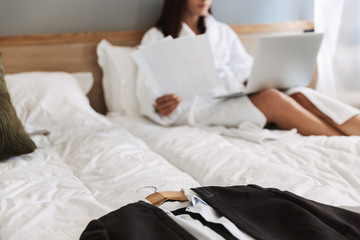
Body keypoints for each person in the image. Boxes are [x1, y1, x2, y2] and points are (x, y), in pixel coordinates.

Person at [135, 0, 360, 136]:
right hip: (196, 108)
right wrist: (159, 105)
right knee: (272, 99)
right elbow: (146, 89)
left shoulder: (221, 31)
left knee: (299, 94)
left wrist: (252, 79)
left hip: (230, 97)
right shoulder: (155, 36)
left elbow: (245, 68)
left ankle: (355, 132)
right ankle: (344, 141)